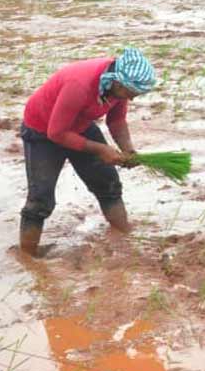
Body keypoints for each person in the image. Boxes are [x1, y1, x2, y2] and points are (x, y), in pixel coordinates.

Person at [18, 47, 157, 257]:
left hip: (79, 125)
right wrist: (101, 149)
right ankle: (28, 257)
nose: (133, 98)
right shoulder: (80, 85)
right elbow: (56, 133)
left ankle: (124, 233)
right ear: (118, 82)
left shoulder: (117, 88)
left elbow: (117, 120)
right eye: (131, 93)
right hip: (43, 131)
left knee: (108, 183)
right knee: (40, 199)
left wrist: (128, 149)